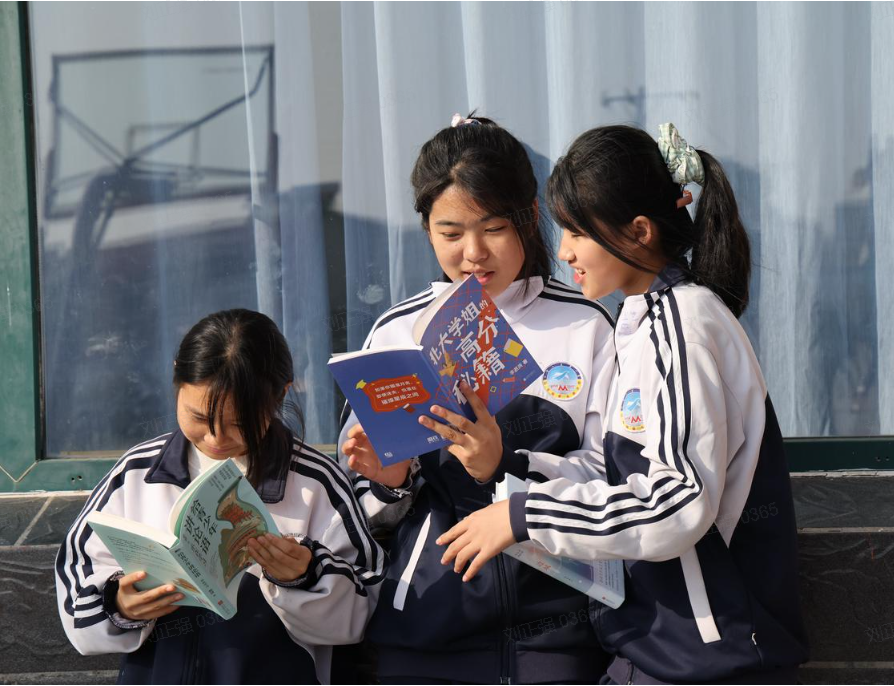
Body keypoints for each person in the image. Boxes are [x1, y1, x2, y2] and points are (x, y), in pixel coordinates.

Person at [435, 123, 810, 684]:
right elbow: (614, 478)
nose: (564, 251)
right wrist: (507, 468)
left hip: (709, 656)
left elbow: (676, 502)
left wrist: (525, 516)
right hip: (660, 649)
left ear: (638, 232)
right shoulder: (642, 323)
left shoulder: (683, 325)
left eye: (576, 231)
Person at [339, 113, 616, 684]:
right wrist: (389, 482)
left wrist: (503, 465)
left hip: (557, 630)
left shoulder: (585, 325)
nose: (473, 252)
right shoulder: (397, 334)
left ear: (529, 217)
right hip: (426, 628)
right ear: (426, 229)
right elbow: (357, 511)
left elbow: (612, 475)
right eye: (451, 233)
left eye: (493, 228)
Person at [55, 309, 383, 684]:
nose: (215, 438)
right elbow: (77, 585)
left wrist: (305, 575)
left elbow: (364, 608)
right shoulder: (136, 474)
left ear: (280, 394)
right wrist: (119, 604)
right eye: (198, 417)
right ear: (177, 378)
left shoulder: (316, 483)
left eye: (238, 423)